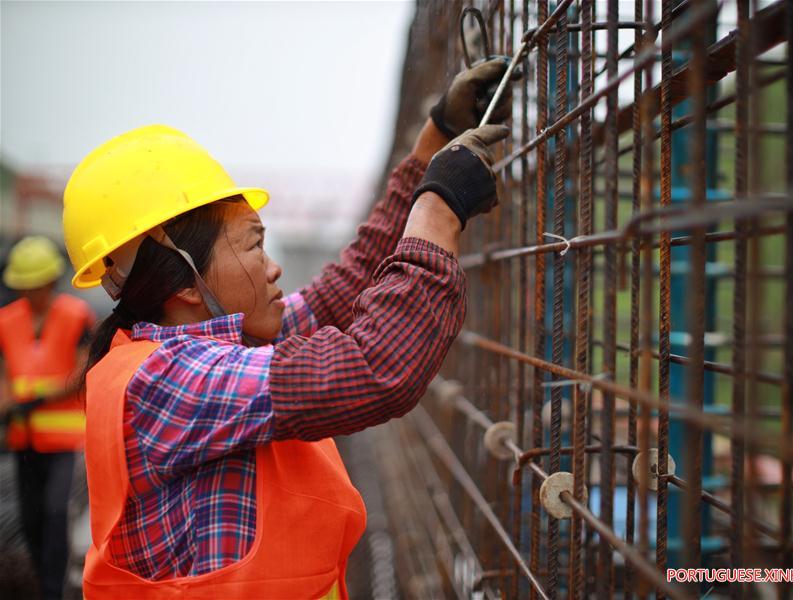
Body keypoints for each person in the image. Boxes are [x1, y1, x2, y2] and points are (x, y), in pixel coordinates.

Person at [62, 58, 514, 598]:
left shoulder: (211, 345)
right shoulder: (165, 382)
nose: (272, 266)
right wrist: (438, 211)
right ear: (183, 280)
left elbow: (339, 293)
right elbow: (373, 369)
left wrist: (431, 147)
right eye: (254, 243)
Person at [0, 235, 96, 600]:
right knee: (32, 520)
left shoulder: (76, 315)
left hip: (64, 441)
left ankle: (54, 592)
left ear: (51, 282)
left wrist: (40, 397)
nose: (28, 294)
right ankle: (41, 586)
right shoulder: (6, 321)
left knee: (57, 514)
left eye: (34, 287)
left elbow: (83, 370)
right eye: (23, 287)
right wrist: (7, 408)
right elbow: (6, 376)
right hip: (23, 438)